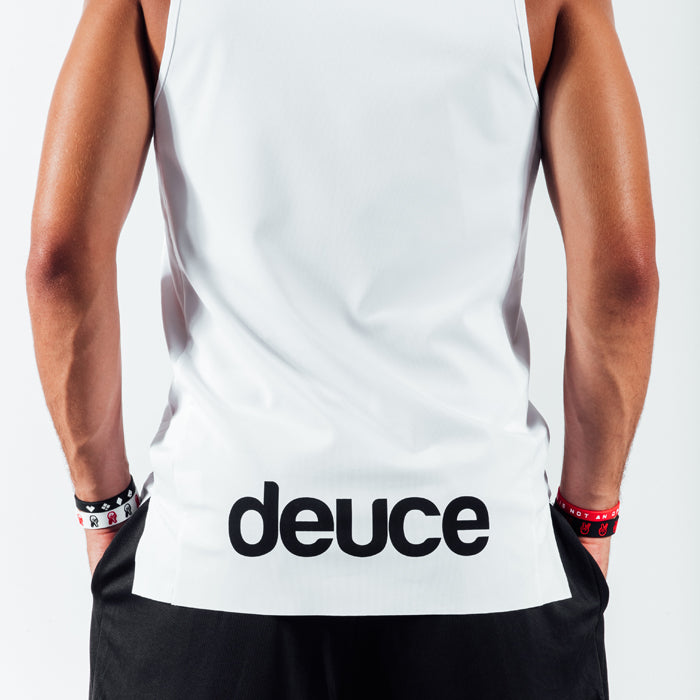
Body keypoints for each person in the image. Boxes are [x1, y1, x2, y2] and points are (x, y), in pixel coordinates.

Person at [26, 0, 658, 697]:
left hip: (217, 560)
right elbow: (623, 276)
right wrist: (590, 519)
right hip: (482, 557)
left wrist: (105, 513)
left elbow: (61, 264)